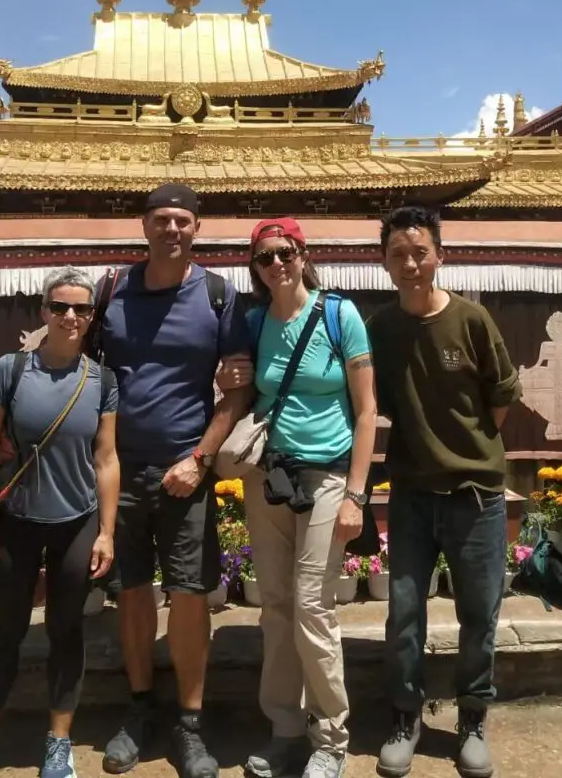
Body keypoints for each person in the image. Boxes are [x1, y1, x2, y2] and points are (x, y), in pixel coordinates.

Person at [98, 183, 254, 778]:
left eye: (183, 221)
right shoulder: (112, 291)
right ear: (144, 226)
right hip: (118, 470)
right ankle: (139, 709)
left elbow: (235, 389)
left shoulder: (217, 296)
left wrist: (201, 459)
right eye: (162, 219)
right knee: (132, 591)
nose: (172, 229)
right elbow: (86, 372)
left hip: (185, 471)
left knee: (189, 595)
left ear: (197, 228)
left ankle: (190, 724)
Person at [0, 266, 120, 778]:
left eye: (80, 309)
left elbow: (106, 458)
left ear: (90, 317)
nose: (69, 316)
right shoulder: (11, 370)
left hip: (76, 521)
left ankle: (58, 743)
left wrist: (106, 530)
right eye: (59, 306)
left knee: (66, 633)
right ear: (44, 311)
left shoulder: (101, 380)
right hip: (17, 520)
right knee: (6, 631)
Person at [368, 206, 521, 778]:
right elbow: (369, 402)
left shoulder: (472, 319)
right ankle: (405, 716)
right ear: (383, 262)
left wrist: (472, 450)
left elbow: (501, 394)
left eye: (420, 252)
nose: (410, 263)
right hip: (410, 494)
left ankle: (473, 717)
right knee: (404, 613)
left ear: (439, 254)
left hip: (476, 496)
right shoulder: (381, 328)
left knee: (478, 614)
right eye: (398, 254)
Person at [239, 218, 377, 778]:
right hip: (271, 476)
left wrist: (357, 496)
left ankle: (331, 736)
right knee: (274, 604)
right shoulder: (253, 323)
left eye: (285, 253)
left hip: (328, 478)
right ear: (256, 267)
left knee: (312, 605)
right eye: (265, 257)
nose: (276, 264)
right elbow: (241, 388)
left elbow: (367, 411)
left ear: (303, 255)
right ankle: (284, 728)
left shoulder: (340, 315)